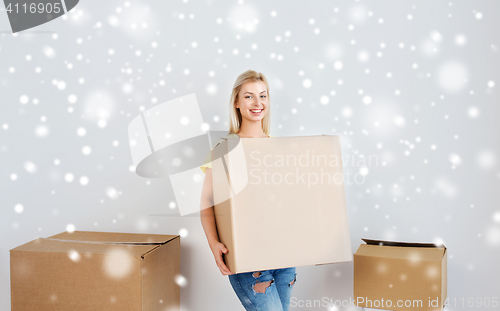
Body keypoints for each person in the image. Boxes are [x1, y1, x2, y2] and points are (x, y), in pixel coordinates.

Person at [199, 70, 297, 311]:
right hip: (249, 258)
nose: (257, 103)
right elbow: (207, 201)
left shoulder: (280, 149)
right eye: (249, 96)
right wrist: (213, 243)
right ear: (236, 102)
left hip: (285, 256)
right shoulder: (225, 149)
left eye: (262, 96)